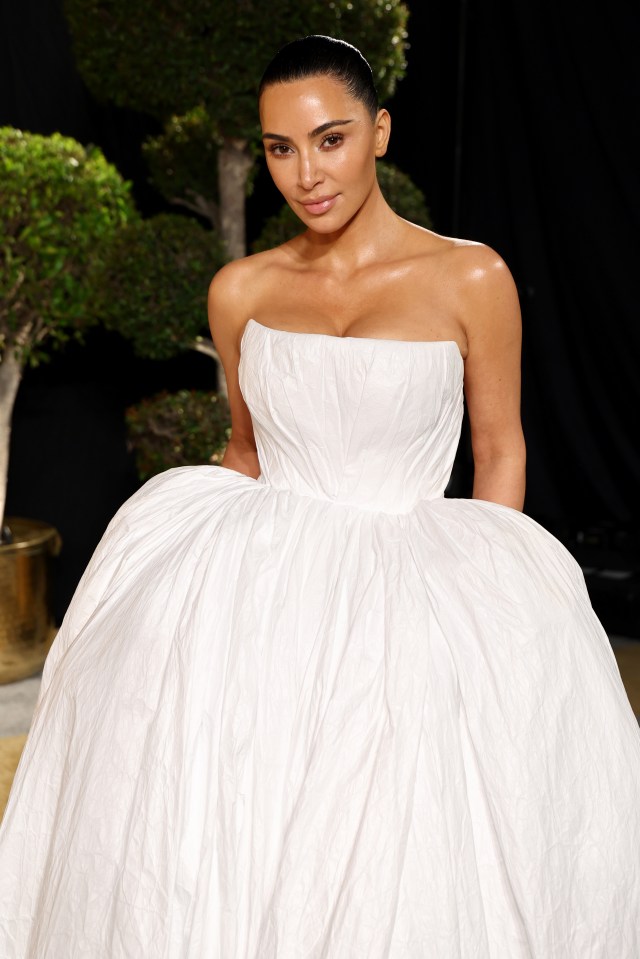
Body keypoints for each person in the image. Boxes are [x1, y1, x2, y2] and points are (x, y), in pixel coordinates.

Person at [1, 33, 639, 959]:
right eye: (280, 148)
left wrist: (488, 608)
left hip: (412, 584)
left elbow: (501, 450)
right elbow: (247, 450)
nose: (306, 173)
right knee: (229, 824)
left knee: (401, 836)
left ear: (380, 132)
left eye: (330, 139)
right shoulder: (242, 290)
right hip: (264, 589)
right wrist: (162, 576)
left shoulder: (471, 277)